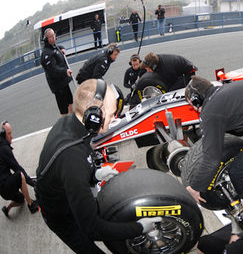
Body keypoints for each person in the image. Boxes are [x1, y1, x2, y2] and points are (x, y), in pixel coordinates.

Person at [35, 79, 161, 253]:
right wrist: (139, 227)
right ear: (94, 116)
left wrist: (95, 174)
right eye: (111, 114)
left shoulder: (71, 124)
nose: (114, 118)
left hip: (68, 188)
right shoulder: (71, 159)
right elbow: (93, 228)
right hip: (61, 216)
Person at [1, 121, 39, 218]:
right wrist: (32, 183)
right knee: (20, 175)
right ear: (3, 134)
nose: (11, 136)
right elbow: (17, 168)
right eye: (9, 134)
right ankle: (31, 205)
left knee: (20, 199)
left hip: (3, 190)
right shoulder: (4, 149)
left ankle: (7, 209)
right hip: (5, 187)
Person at [41, 28, 74, 116]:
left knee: (70, 100)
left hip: (64, 81)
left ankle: (73, 120)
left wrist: (62, 48)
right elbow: (53, 69)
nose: (53, 38)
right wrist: (64, 71)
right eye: (51, 37)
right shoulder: (46, 53)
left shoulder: (53, 46)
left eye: (54, 36)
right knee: (63, 108)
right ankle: (66, 125)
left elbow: (58, 47)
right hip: (57, 85)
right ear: (46, 39)